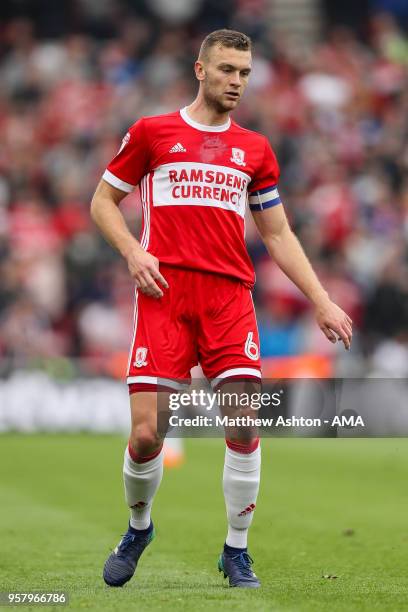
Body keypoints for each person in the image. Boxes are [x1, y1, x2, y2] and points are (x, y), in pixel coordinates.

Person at [91, 29, 352, 589]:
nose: (237, 81)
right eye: (228, 69)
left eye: (245, 72)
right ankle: (139, 528)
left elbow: (277, 233)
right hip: (163, 296)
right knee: (146, 436)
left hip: (229, 299)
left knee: (243, 421)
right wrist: (134, 251)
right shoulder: (152, 133)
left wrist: (322, 299)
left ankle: (236, 550)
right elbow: (103, 201)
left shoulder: (255, 149)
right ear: (200, 70)